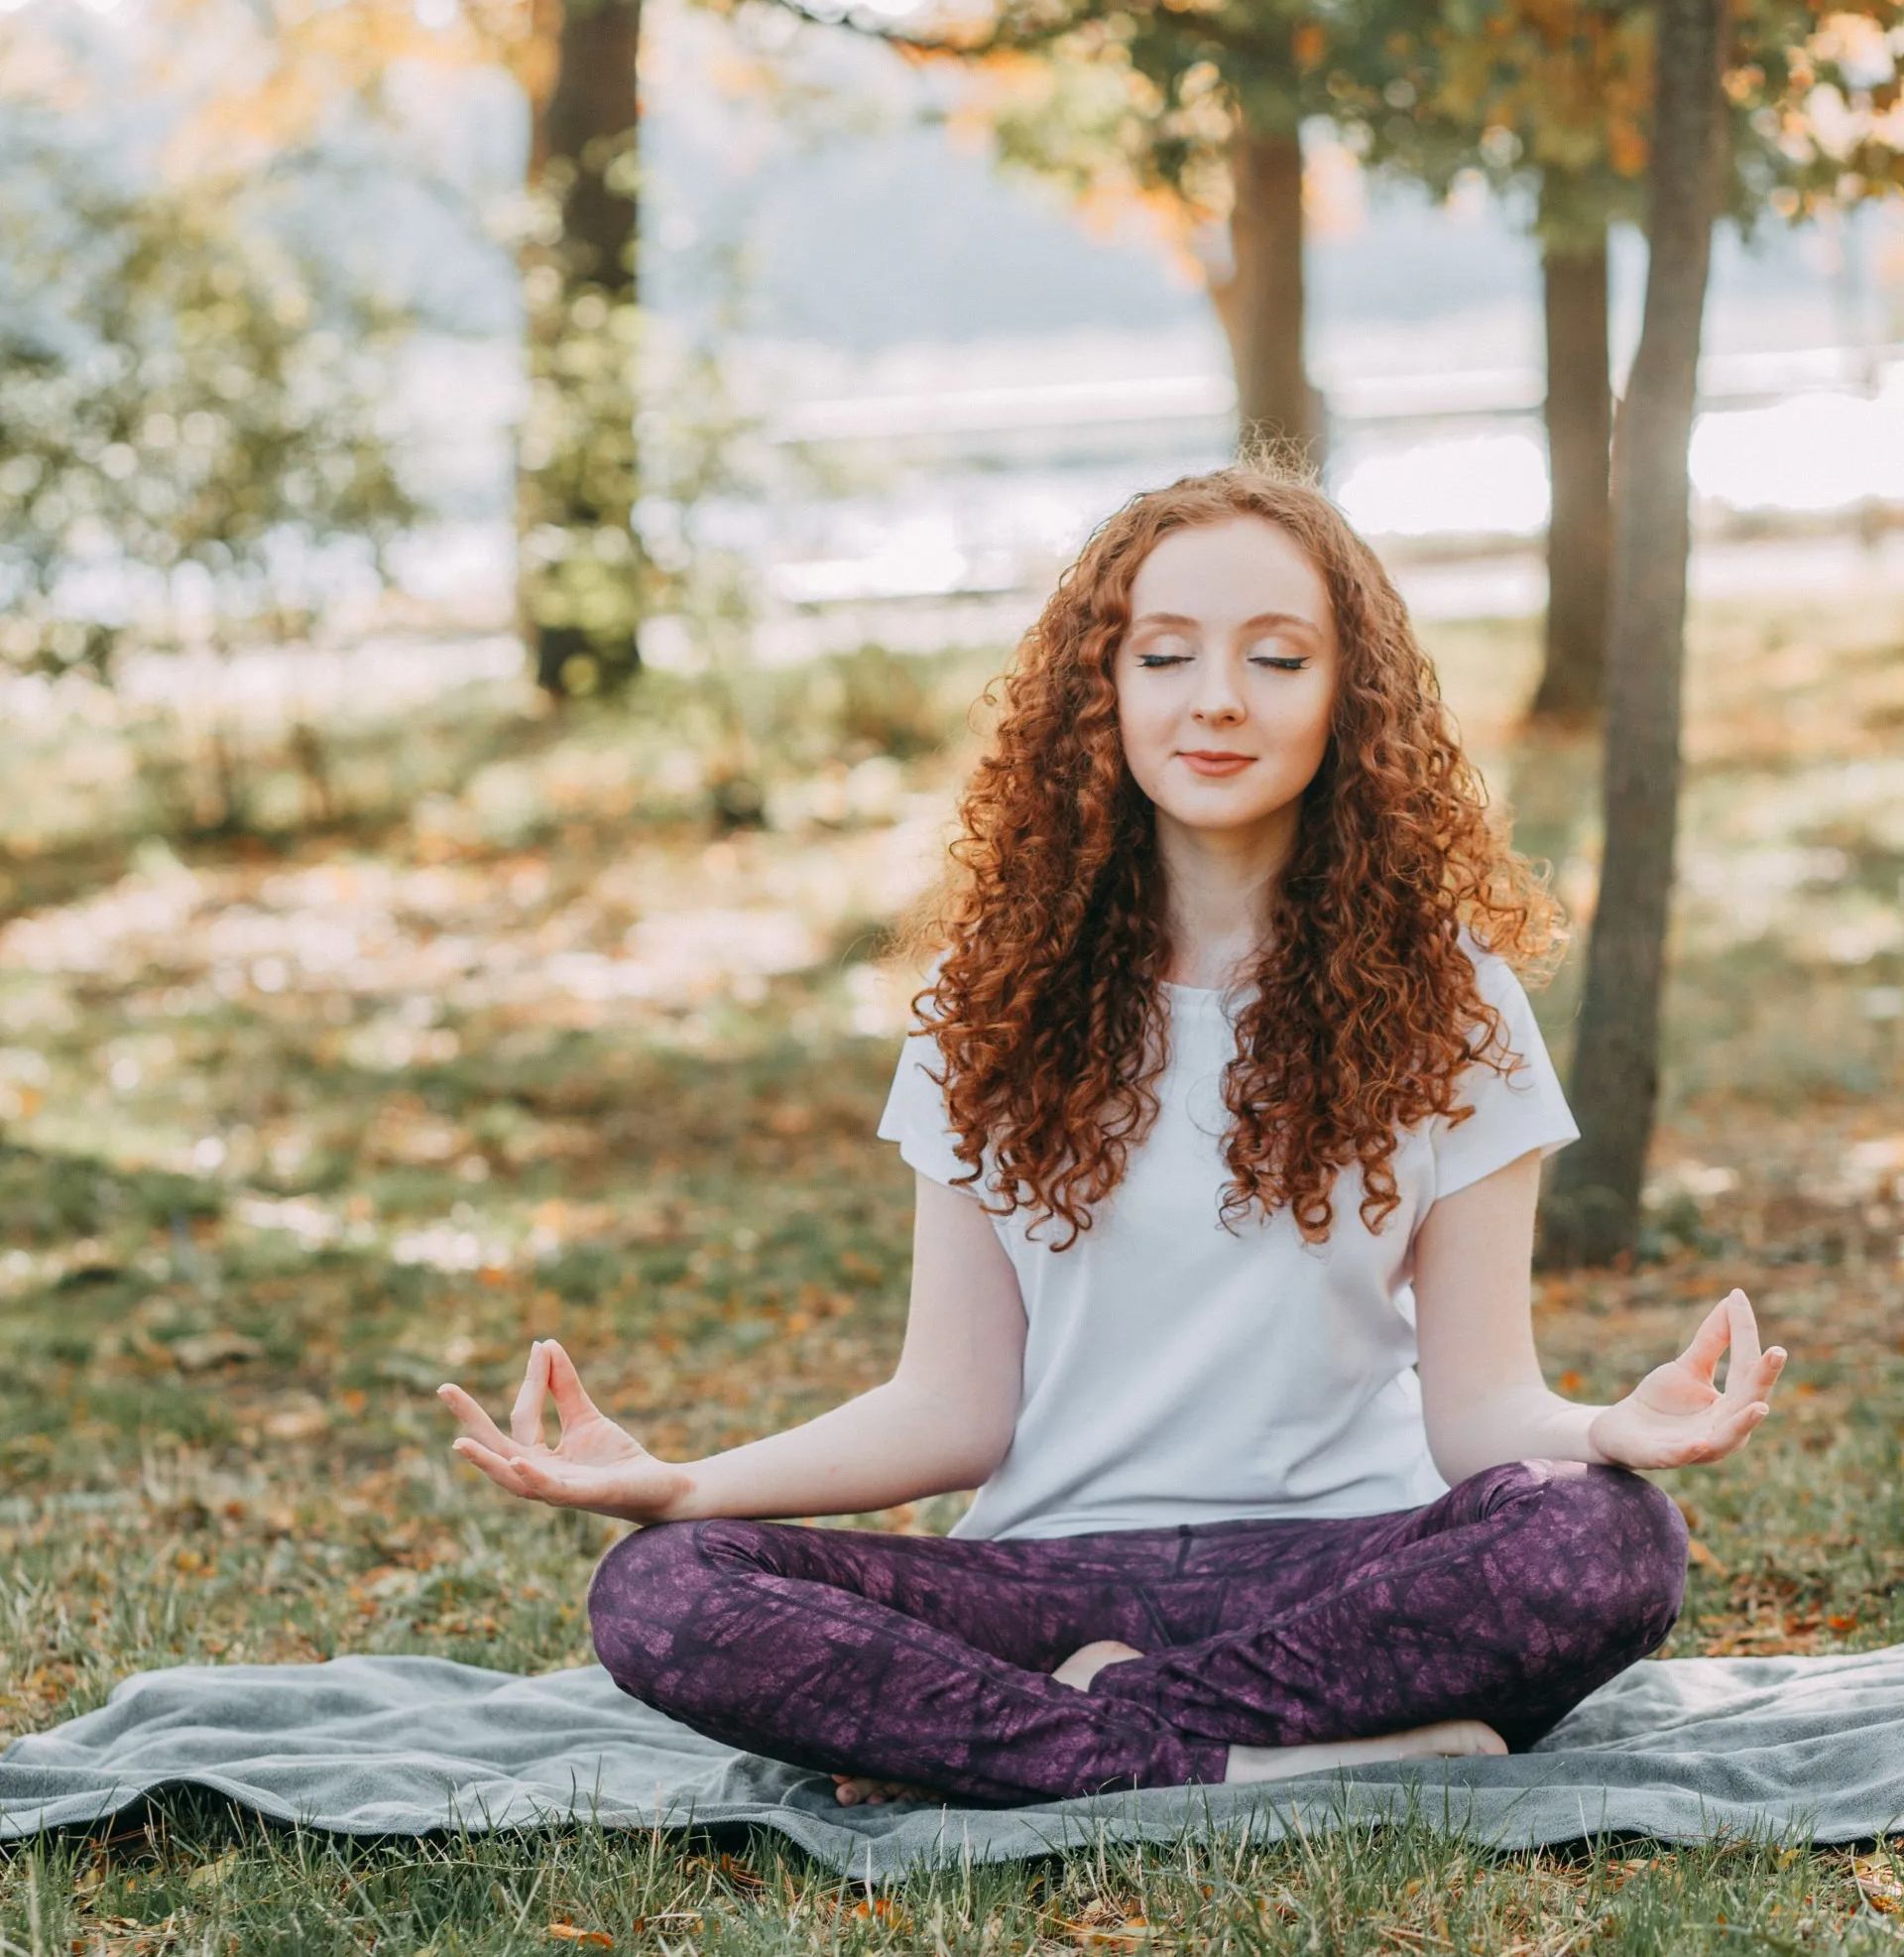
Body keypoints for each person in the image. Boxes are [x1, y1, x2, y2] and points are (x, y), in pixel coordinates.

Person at [436, 455, 1789, 1811]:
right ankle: (1282, 1756)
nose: (1215, 698)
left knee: (1606, 1539)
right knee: (664, 1591)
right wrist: (682, 1485)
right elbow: (949, 1408)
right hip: (1045, 1577)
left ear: (1347, 699)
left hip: (1347, 1576)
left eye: (1276, 658)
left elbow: (1483, 1408)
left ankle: (1070, 1738)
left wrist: (1607, 1428)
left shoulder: (1454, 1000)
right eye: (1164, 655)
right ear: (1104, 691)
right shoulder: (991, 1004)